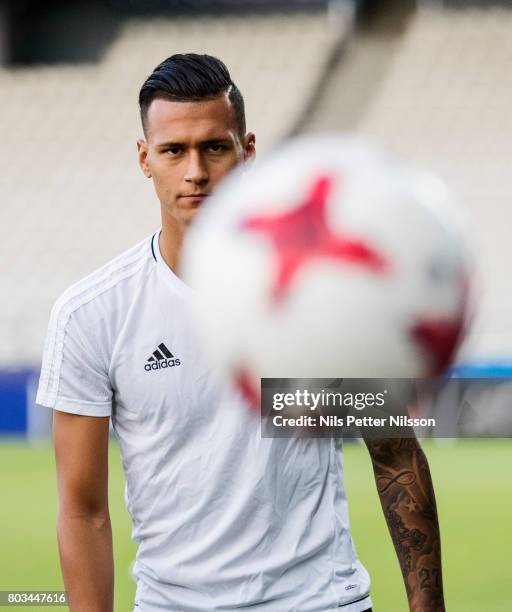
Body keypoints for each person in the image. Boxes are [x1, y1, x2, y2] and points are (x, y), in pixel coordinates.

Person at [36, 54, 444, 612]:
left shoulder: (326, 294)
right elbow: (83, 510)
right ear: (144, 158)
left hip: (320, 602)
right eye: (174, 151)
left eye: (215, 147)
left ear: (247, 151)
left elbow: (395, 455)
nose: (195, 172)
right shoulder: (93, 314)